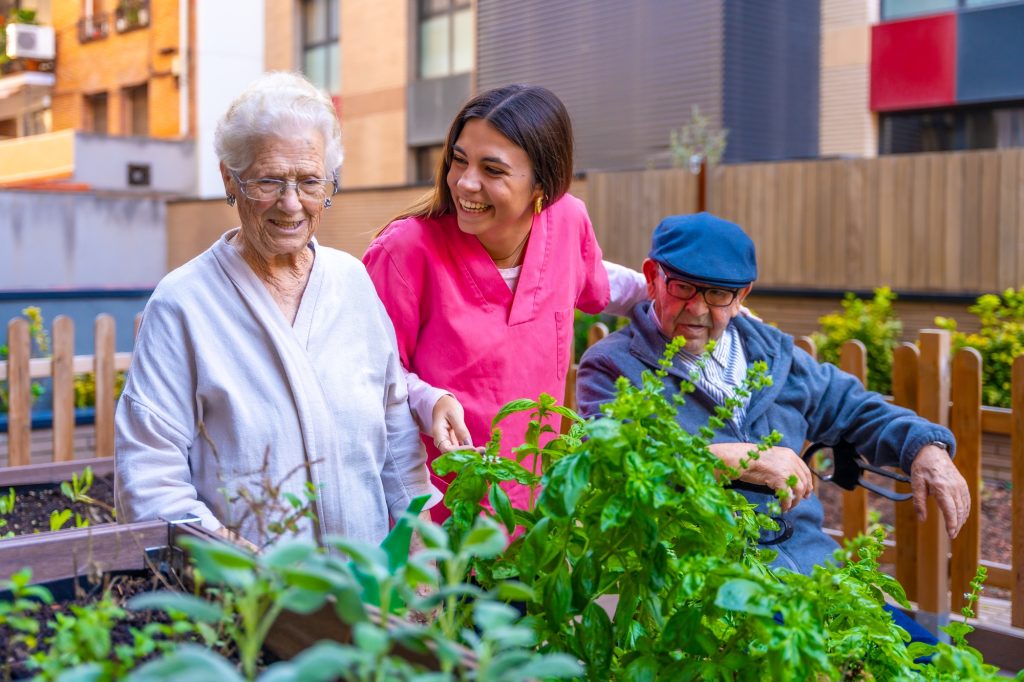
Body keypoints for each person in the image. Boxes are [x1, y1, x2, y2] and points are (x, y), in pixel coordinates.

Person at [115, 72, 440, 547]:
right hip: (247, 602)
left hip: (366, 599)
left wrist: (419, 550)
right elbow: (149, 473)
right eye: (270, 180)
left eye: (310, 181)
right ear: (231, 178)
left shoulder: (352, 284)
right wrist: (227, 560)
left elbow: (394, 428)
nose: (291, 204)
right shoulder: (183, 304)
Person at [577, 212, 970, 576]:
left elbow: (854, 407)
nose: (696, 308)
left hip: (813, 572)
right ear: (652, 277)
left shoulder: (771, 353)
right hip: (703, 587)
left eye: (717, 294)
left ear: (742, 295)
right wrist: (732, 459)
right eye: (682, 287)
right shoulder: (613, 366)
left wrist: (923, 448)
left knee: (927, 654)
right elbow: (616, 469)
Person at [362, 85, 647, 513]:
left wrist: (671, 295)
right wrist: (429, 399)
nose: (465, 183)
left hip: (535, 513)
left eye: (492, 170)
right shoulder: (405, 251)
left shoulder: (568, 220)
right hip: (435, 515)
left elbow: (596, 282)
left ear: (543, 187)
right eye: (459, 160)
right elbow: (367, 372)